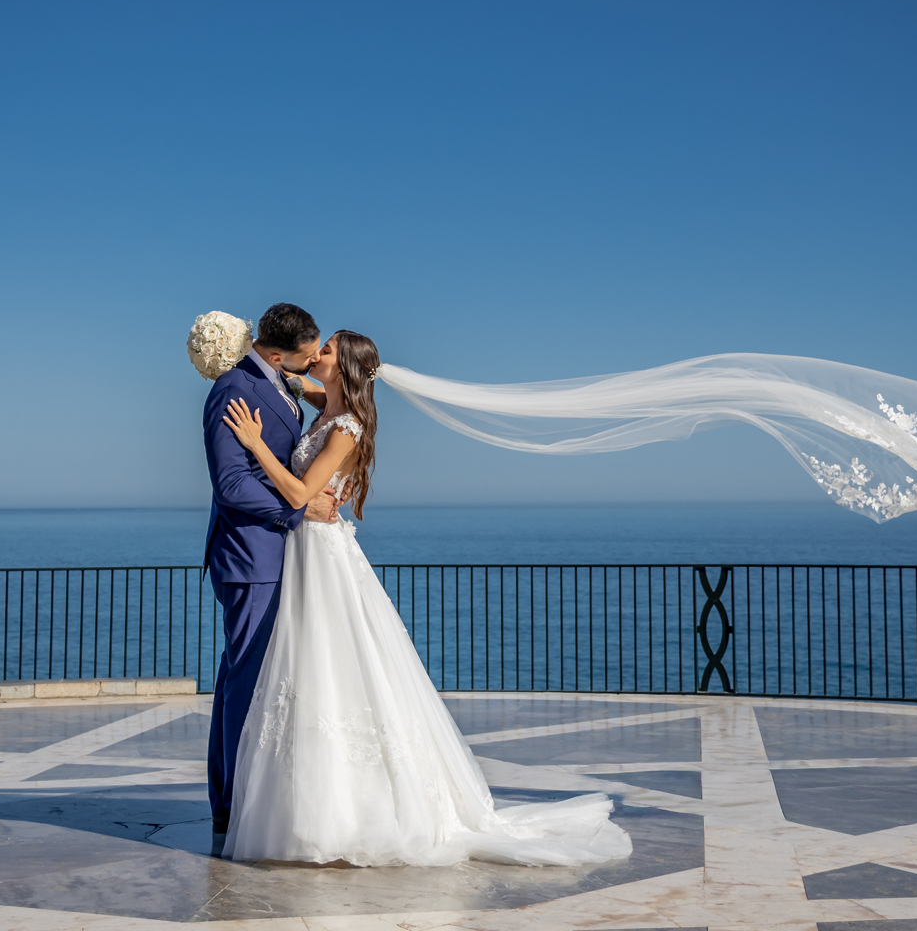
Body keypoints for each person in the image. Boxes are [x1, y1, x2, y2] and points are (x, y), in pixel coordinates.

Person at [218, 328, 632, 867]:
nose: (316, 353)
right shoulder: (325, 403)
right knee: (311, 670)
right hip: (303, 553)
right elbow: (290, 379)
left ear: (342, 366)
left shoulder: (347, 425)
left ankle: (351, 812)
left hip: (320, 551)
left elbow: (299, 493)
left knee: (332, 663)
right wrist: (251, 359)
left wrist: (254, 445)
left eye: (327, 349)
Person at [201, 303, 341, 858]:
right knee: (247, 683)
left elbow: (326, 411)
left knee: (243, 678)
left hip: (279, 553)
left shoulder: (279, 376)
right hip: (250, 557)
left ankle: (232, 801)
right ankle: (233, 807)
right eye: (306, 357)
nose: (311, 366)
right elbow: (231, 484)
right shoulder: (233, 390)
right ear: (278, 352)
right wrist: (300, 511)